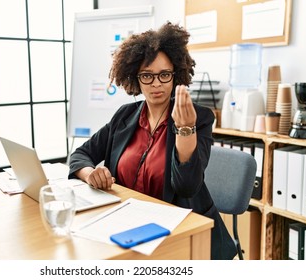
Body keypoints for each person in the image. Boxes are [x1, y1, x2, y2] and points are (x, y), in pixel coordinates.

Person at [68, 22, 237, 260]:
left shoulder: (199, 118)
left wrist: (185, 129)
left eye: (164, 75)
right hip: (129, 225)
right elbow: (80, 155)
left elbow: (186, 186)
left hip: (184, 233)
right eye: (147, 75)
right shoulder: (125, 115)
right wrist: (89, 173)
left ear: (175, 75)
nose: (156, 83)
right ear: (135, 78)